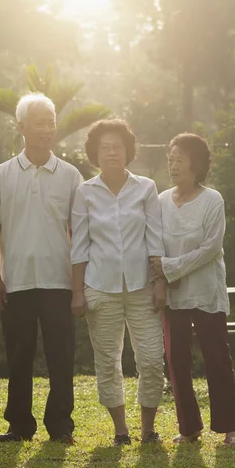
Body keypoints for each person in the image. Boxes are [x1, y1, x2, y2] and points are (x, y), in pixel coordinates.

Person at [0, 92, 83, 444]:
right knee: (19, 355)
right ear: (20, 126)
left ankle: (61, 426)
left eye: (51, 122)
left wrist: (79, 284)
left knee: (61, 356)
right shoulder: (0, 175)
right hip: (17, 281)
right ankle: (19, 425)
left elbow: (80, 232)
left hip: (59, 281)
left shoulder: (70, 176)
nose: (47, 129)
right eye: (39, 122)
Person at [70, 119, 166, 446]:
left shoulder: (146, 188)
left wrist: (160, 283)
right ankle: (121, 430)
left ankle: (148, 428)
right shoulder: (85, 192)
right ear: (95, 153)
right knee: (108, 362)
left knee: (152, 359)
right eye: (105, 147)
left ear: (128, 151)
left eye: (117, 147)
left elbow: (155, 239)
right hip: (100, 288)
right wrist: (77, 291)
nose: (112, 152)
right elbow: (80, 245)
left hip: (142, 288)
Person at [151, 133, 235, 446]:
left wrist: (171, 268)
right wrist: (162, 278)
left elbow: (210, 249)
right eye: (171, 159)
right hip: (174, 296)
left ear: (197, 163)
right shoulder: (161, 201)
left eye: (180, 159)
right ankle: (189, 427)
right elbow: (154, 245)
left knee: (216, 357)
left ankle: (231, 429)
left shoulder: (212, 200)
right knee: (177, 361)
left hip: (206, 293)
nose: (173, 165)